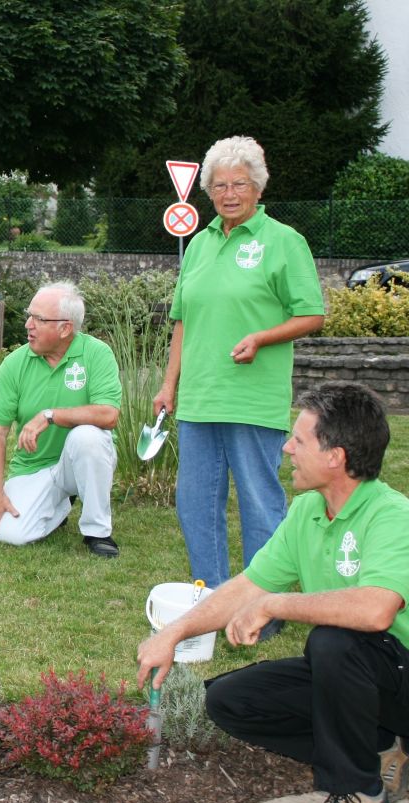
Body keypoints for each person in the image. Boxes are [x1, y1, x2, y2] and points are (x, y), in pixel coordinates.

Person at [137, 382, 409, 803]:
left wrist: (277, 604)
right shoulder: (307, 511)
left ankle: (359, 794)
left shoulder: (391, 516)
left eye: (299, 440)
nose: (286, 449)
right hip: (362, 679)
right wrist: (173, 633)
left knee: (334, 642)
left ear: (335, 456)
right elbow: (246, 586)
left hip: (399, 676)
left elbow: (376, 610)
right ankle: (381, 750)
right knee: (230, 701)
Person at [154, 136, 324, 611]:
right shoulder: (201, 246)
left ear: (258, 188)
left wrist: (262, 338)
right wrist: (169, 385)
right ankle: (210, 600)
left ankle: (261, 608)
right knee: (196, 506)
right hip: (200, 399)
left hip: (253, 399)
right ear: (208, 191)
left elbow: (311, 315)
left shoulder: (285, 242)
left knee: (259, 504)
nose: (230, 193)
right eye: (220, 185)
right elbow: (183, 321)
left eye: (240, 184)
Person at [0, 281, 122, 557]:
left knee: (87, 437)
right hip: (34, 467)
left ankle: (97, 532)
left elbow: (108, 415)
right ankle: (59, 507)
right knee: (11, 534)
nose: (28, 324)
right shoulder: (14, 363)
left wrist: (51, 415)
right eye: (29, 315)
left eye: (39, 318)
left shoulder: (96, 354)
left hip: (81, 459)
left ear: (65, 328)